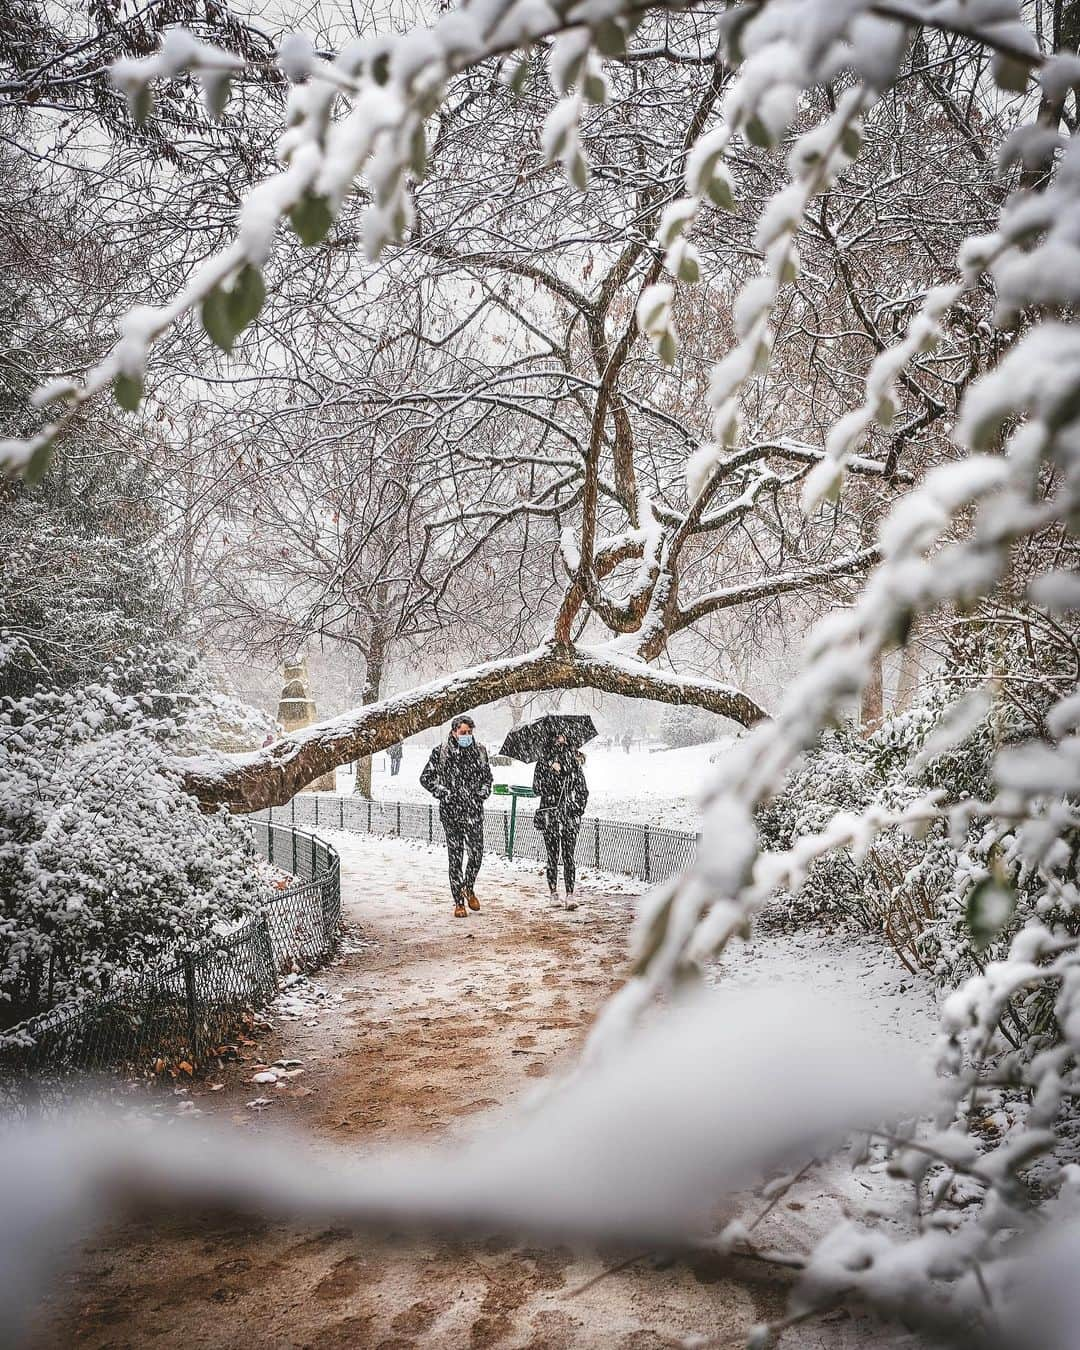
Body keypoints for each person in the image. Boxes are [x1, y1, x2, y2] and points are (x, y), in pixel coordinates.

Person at [420, 715, 493, 918]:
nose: (467, 736)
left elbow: (488, 778)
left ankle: (468, 887)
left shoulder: (480, 752)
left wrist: (483, 791)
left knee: (476, 855)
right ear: (454, 732)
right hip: (451, 814)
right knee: (456, 858)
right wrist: (444, 792)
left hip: (474, 811)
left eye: (469, 732)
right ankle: (458, 902)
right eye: (463, 733)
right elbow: (426, 778)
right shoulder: (441, 752)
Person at [534, 733, 589, 908]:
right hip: (549, 814)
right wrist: (551, 772)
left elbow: (582, 789)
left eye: (563, 736)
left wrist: (576, 808)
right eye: (557, 736)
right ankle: (553, 892)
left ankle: (570, 894)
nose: (560, 739)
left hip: (569, 815)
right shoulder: (543, 762)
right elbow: (536, 788)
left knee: (568, 856)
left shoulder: (574, 762)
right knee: (552, 856)